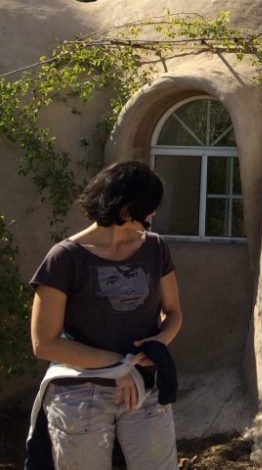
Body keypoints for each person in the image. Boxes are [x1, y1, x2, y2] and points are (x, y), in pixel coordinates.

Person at [28, 160, 182, 469]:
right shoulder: (63, 258)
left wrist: (157, 344)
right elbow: (44, 343)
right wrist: (119, 365)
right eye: (148, 208)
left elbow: (174, 312)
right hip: (79, 397)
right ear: (126, 208)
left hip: (144, 391)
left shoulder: (155, 248)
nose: (152, 215)